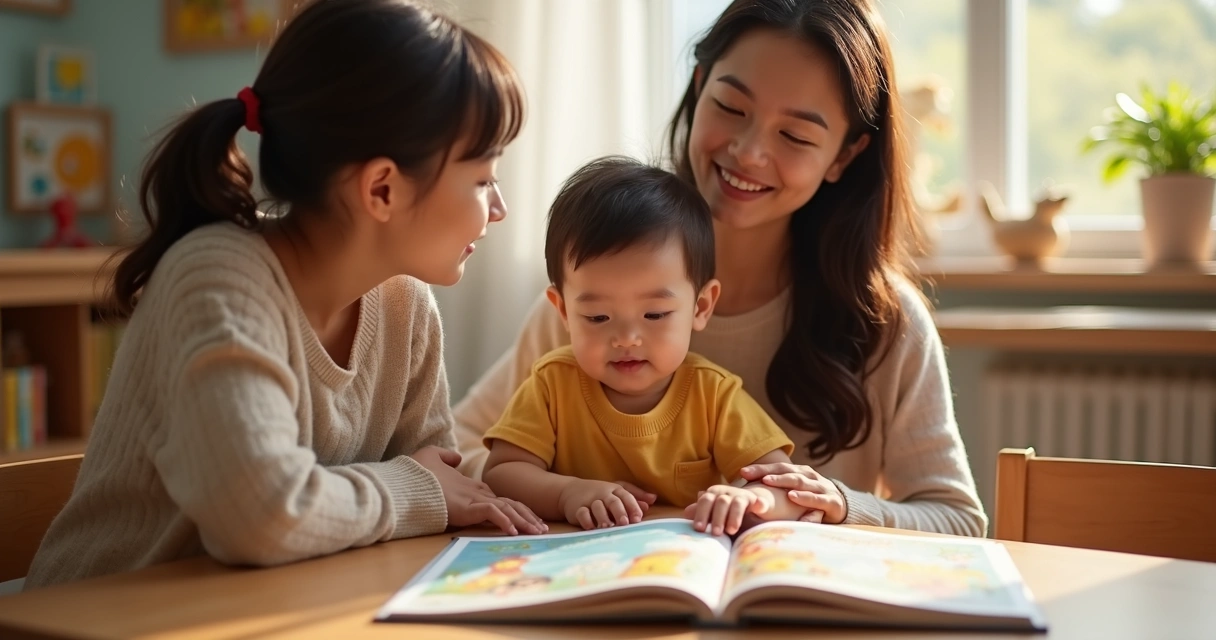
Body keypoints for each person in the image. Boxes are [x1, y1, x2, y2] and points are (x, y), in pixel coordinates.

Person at [25, 0, 545, 590]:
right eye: (483, 180)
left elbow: (442, 488)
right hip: (101, 616)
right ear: (381, 189)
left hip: (266, 605)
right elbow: (263, 516)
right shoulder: (218, 278)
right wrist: (419, 489)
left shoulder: (405, 303)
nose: (498, 209)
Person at [455, 0, 987, 537]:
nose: (749, 151)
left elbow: (958, 520)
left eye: (796, 136)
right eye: (732, 106)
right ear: (699, 84)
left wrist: (839, 506)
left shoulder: (883, 322)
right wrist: (554, 491)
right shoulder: (600, 294)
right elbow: (459, 449)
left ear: (844, 157)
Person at [481, 157, 805, 536]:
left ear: (701, 306)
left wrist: (753, 499)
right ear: (564, 311)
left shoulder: (713, 395)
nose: (626, 338)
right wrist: (567, 492)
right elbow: (502, 473)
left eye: (654, 315)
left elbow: (785, 483)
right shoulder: (552, 384)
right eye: (598, 318)